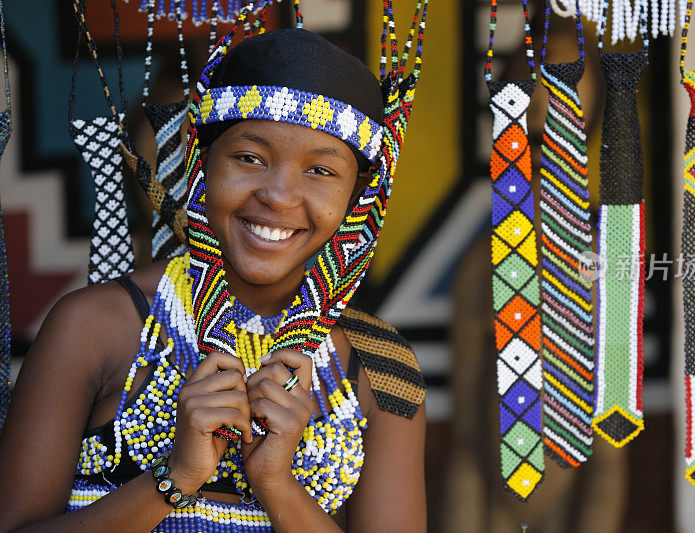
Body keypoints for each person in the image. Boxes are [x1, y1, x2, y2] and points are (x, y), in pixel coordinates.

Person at [0, 27, 427, 532]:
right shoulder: (94, 327)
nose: (279, 196)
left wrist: (277, 483)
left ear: (359, 195)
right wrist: (177, 478)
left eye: (320, 171)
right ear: (202, 163)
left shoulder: (380, 367)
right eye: (250, 158)